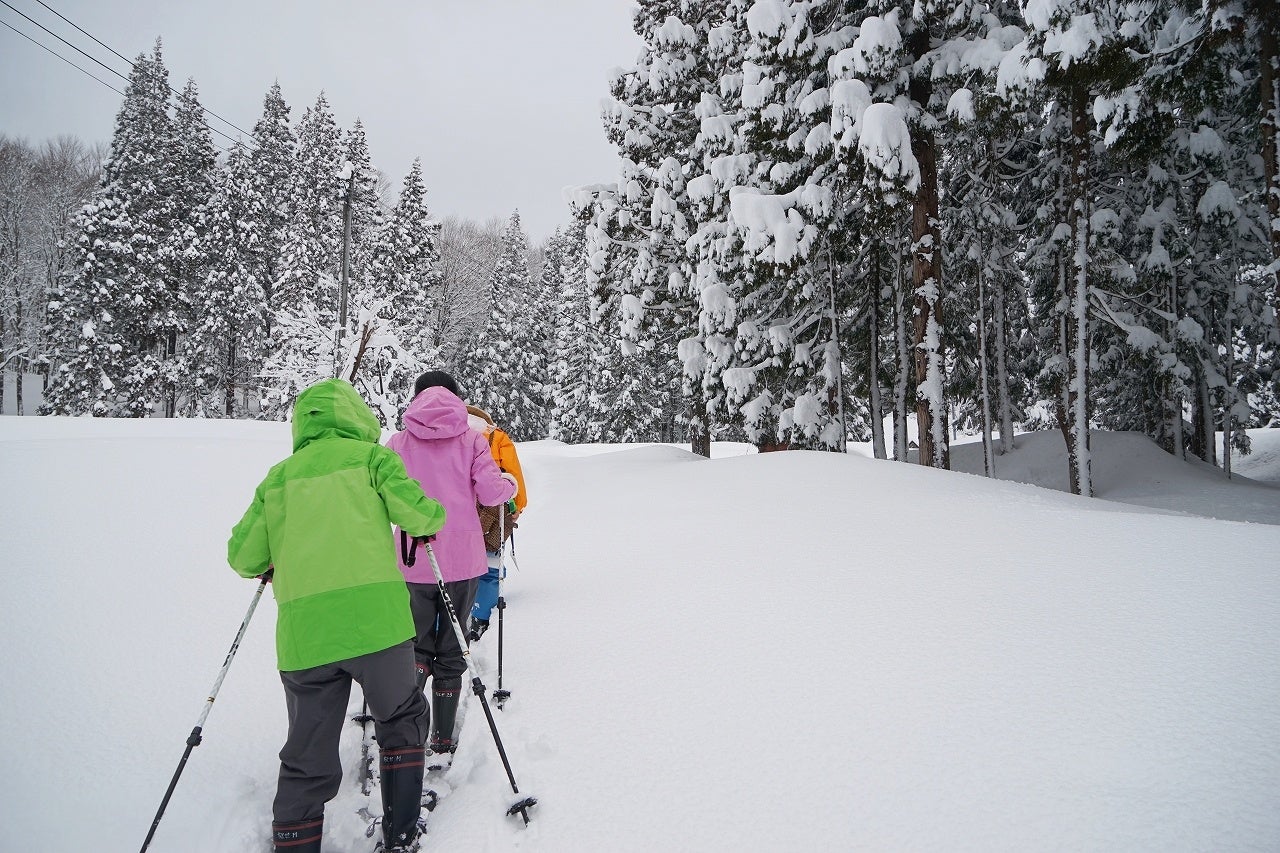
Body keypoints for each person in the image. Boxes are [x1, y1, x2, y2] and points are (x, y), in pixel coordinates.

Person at [227, 378, 446, 853]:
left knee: (307, 752)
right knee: (401, 718)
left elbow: (243, 558)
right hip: (378, 624)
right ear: (357, 417)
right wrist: (431, 513)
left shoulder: (279, 478)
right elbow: (422, 517)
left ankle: (294, 842)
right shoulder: (373, 459)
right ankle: (402, 834)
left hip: (307, 634)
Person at [387, 370, 517, 755]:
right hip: (462, 561)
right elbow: (493, 493)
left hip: (413, 560)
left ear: (415, 398)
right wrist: (509, 483)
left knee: (415, 644)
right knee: (453, 643)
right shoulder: (472, 441)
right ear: (458, 399)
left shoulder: (397, 443)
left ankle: (410, 732)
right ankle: (443, 738)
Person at [465, 402, 528, 642]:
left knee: (454, 566)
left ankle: (448, 618)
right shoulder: (496, 436)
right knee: (490, 565)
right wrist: (518, 505)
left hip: (456, 511)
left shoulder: (449, 434)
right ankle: (481, 614)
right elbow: (513, 472)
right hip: (492, 511)